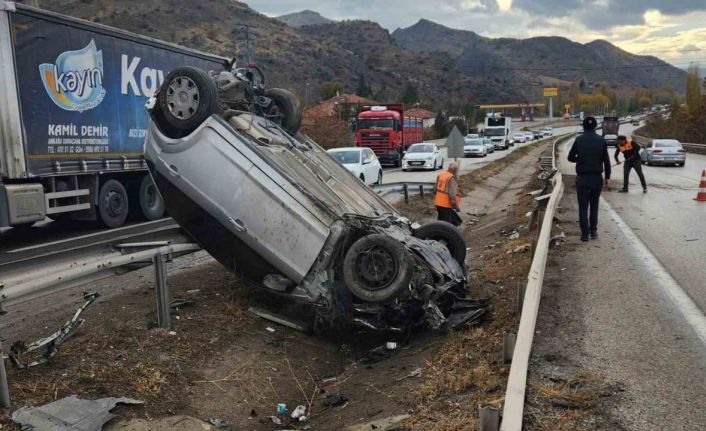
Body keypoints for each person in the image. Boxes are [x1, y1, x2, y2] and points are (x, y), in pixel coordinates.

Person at [568, 116, 611, 241]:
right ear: (595, 126)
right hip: (597, 179)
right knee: (594, 205)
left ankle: (584, 234)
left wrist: (581, 159)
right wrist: (607, 178)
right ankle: (594, 232)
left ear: (583, 126)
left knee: (583, 207)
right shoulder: (601, 140)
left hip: (583, 178)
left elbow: (570, 157)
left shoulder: (579, 140)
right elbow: (607, 162)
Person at [434, 161, 462, 225]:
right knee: (447, 224)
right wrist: (456, 206)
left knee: (441, 221)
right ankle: (444, 234)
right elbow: (452, 195)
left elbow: (435, 189)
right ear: (455, 169)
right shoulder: (452, 178)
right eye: (458, 170)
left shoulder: (441, 175)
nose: (458, 172)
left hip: (438, 202)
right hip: (446, 204)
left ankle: (437, 233)